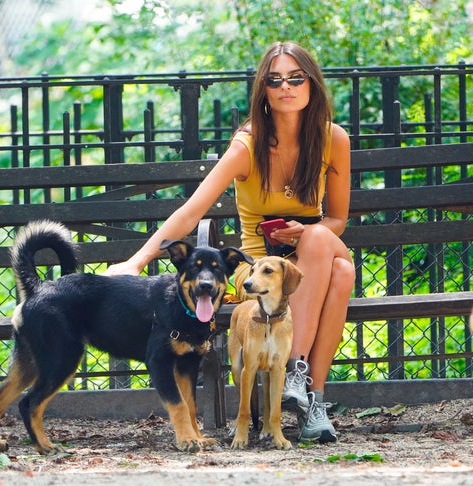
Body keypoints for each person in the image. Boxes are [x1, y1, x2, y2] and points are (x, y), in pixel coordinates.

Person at [105, 41, 355, 443]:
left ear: (312, 85)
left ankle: (307, 390)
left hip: (308, 256)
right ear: (264, 91)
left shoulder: (333, 139)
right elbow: (191, 211)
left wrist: (307, 232)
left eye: (296, 78)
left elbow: (337, 218)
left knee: (325, 243)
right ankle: (305, 387)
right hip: (253, 266)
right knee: (342, 271)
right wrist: (137, 261)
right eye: (275, 80)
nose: (286, 87)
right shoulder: (248, 144)